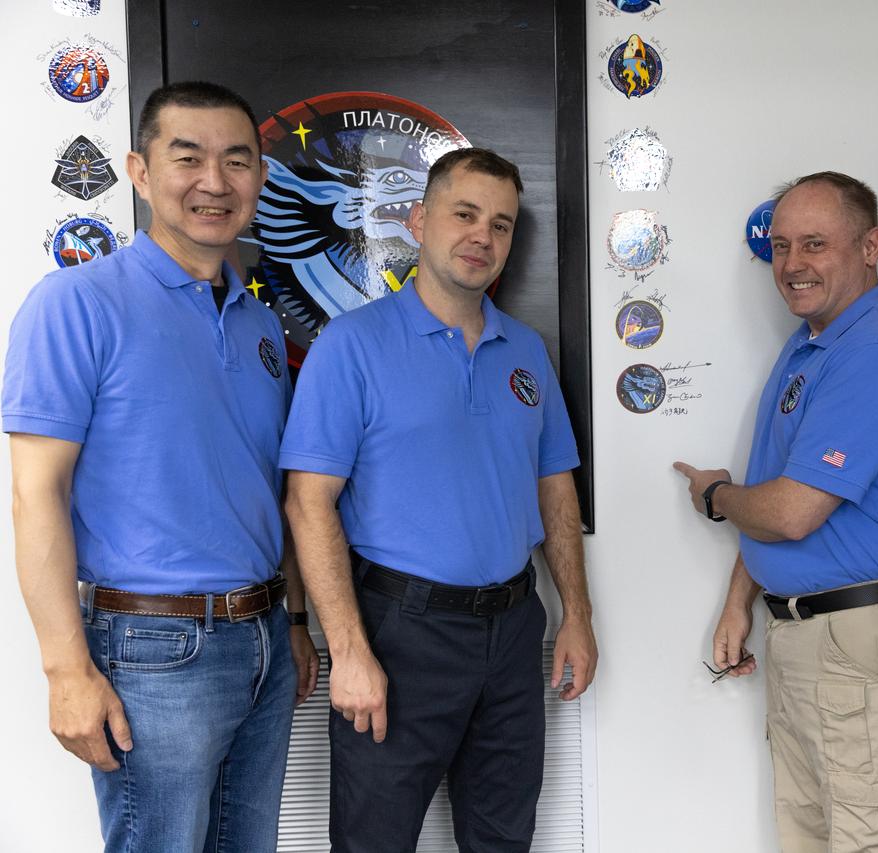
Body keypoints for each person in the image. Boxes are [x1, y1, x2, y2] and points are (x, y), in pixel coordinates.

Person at [3, 81, 319, 852]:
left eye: (237, 161)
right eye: (189, 158)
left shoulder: (260, 327)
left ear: (261, 180)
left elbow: (266, 487)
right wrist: (64, 671)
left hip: (267, 639)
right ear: (141, 172)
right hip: (152, 648)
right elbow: (34, 491)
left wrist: (298, 621)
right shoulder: (75, 303)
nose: (215, 181)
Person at [281, 147, 598, 853]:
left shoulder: (527, 352)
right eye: (464, 214)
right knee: (374, 841)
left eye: (502, 223)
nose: (483, 236)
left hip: (514, 628)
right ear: (420, 220)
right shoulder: (352, 345)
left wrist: (577, 613)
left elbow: (555, 486)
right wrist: (350, 651)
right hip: (401, 632)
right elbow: (308, 504)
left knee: (503, 837)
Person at [674, 172, 878, 852]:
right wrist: (742, 596)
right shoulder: (812, 343)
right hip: (813, 637)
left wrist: (714, 496)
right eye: (783, 245)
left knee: (873, 837)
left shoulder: (873, 353)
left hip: (860, 643)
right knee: (811, 836)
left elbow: (791, 511)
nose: (793, 264)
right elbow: (780, 484)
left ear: (870, 245)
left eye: (816, 244)